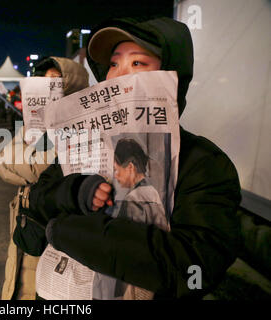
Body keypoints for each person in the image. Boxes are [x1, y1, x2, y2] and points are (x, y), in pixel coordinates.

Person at [18, 16, 242, 300]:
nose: (119, 75)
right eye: (113, 64)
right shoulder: (80, 141)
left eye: (137, 63)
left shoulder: (203, 162)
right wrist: (72, 191)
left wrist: (72, 234)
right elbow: (37, 200)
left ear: (171, 74)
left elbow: (197, 271)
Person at [0, 56, 89, 300]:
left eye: (55, 82)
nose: (49, 87)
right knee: (18, 285)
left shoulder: (83, 127)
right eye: (45, 81)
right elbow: (0, 164)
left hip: (54, 229)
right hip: (24, 223)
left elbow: (40, 169)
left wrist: (18, 158)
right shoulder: (31, 126)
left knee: (44, 290)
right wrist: (23, 158)